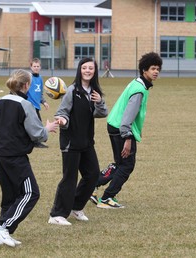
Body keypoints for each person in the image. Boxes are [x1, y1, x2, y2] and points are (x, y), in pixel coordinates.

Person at [0, 69, 58, 247]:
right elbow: (37, 134)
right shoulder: (25, 105)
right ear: (26, 85)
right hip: (15, 157)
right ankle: (3, 227)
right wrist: (48, 128)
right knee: (31, 193)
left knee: (10, 195)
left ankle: (4, 234)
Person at [90, 52, 162, 209]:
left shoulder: (137, 83)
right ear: (144, 70)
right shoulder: (139, 90)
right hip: (121, 129)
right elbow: (128, 117)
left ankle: (91, 186)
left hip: (114, 125)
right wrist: (127, 138)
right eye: (152, 68)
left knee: (120, 163)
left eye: (158, 69)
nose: (156, 72)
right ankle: (107, 198)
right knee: (127, 165)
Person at [48, 57, 108, 226]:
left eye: (91, 68)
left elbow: (102, 114)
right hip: (71, 142)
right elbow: (62, 112)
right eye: (84, 68)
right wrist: (63, 120)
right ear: (79, 70)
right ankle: (56, 214)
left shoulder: (95, 92)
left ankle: (76, 206)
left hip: (87, 141)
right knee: (69, 178)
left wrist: (100, 102)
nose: (87, 70)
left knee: (93, 174)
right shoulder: (71, 90)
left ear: (95, 71)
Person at [27, 58, 50, 148]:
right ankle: (36, 142)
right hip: (29, 105)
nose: (36, 68)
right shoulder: (28, 78)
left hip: (37, 105)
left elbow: (40, 93)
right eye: (34, 66)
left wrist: (44, 102)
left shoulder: (40, 78)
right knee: (37, 123)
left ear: (40, 67)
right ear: (31, 67)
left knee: (36, 124)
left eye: (38, 66)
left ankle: (34, 141)